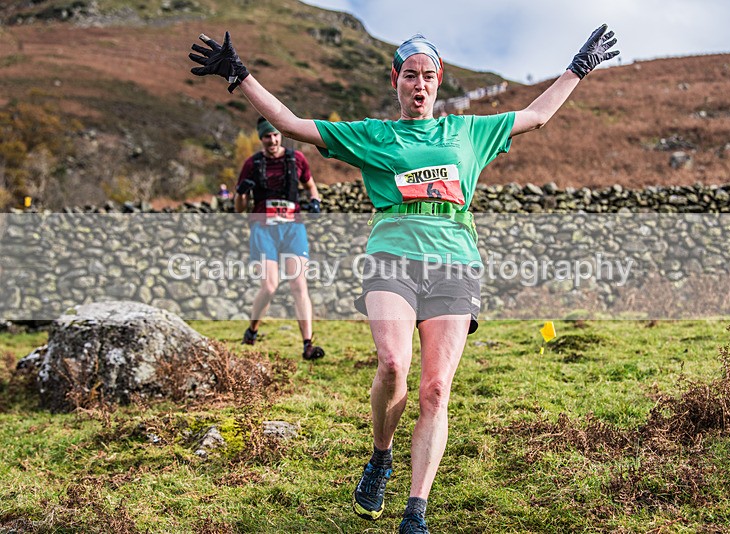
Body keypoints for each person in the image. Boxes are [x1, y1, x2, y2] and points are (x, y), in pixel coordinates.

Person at [190, 24, 618, 532]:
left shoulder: (469, 132)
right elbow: (291, 121)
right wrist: (240, 76)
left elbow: (539, 115)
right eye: (410, 75)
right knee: (393, 365)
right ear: (395, 79)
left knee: (436, 390)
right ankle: (380, 457)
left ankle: (415, 510)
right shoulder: (374, 135)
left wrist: (578, 67)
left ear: (439, 83)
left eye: (428, 76)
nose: (419, 84)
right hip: (390, 259)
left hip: (455, 266)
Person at [234, 116, 325, 361]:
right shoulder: (252, 164)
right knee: (270, 286)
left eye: (275, 135)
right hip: (263, 229)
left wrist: (315, 201)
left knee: (298, 285)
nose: (272, 140)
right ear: (260, 138)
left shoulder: (297, 159)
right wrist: (242, 193)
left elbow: (311, 186)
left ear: (280, 135)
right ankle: (252, 331)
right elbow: (239, 207)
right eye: (267, 136)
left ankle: (307, 344)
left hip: (293, 227)